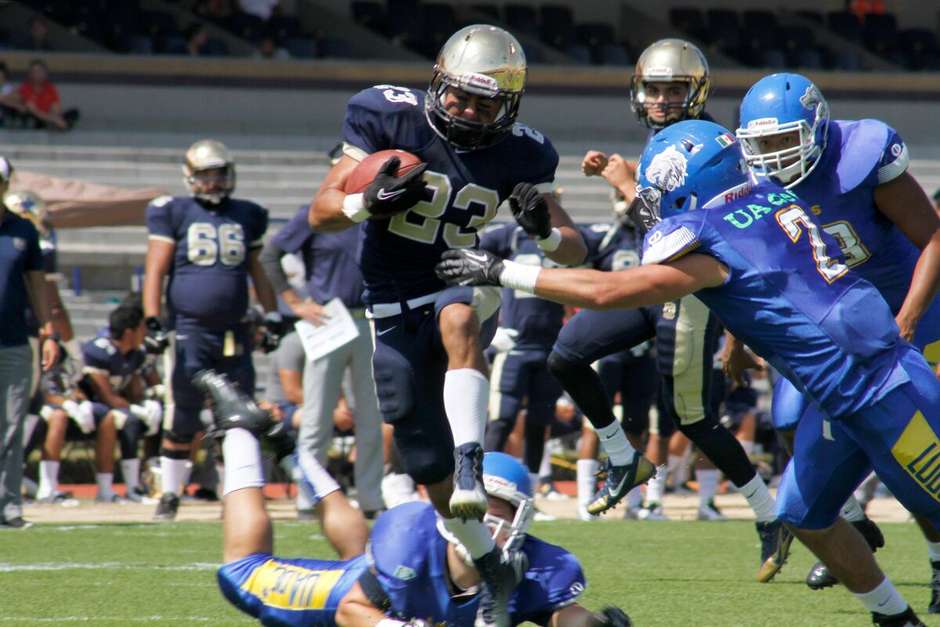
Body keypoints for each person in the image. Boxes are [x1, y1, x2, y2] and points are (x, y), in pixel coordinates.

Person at [436, 119, 940, 627]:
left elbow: (606, 292)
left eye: (663, 188)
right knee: (802, 514)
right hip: (839, 390)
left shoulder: (712, 241)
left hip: (880, 389)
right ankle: (895, 618)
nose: (656, 200)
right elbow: (764, 282)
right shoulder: (767, 197)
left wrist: (502, 270)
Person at [307, 25, 587, 625]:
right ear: (438, 80)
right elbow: (321, 211)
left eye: (484, 103)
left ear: (507, 106)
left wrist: (543, 229)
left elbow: (574, 250)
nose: (466, 110)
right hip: (387, 299)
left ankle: (472, 459)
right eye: (460, 95)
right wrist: (365, 202)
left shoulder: (522, 153)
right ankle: (491, 565)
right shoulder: (388, 117)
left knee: (459, 314)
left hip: (457, 275)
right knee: (424, 465)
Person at [552, 38, 783, 573]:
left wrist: (624, 186)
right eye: (653, 89)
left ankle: (769, 514)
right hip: (648, 283)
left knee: (692, 418)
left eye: (673, 90)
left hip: (690, 289)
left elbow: (681, 233)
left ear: (695, 92)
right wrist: (623, 174)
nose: (660, 100)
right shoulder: (663, 140)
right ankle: (621, 456)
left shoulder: (719, 147)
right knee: (565, 355)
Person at [199, 368, 631, 627]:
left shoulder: (537, 564)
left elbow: (561, 613)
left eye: (504, 512)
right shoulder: (409, 534)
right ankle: (239, 429)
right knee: (241, 573)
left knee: (359, 551)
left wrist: (593, 623)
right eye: (482, 509)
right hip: (356, 600)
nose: (491, 524)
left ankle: (288, 449)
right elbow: (353, 611)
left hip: (394, 586)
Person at [735, 72, 940, 606]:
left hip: (907, 304)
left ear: (817, 129)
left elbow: (934, 235)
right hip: (839, 323)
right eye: (764, 147)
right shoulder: (756, 188)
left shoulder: (860, 155)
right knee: (784, 420)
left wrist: (911, 316)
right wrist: (736, 339)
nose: (775, 159)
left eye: (785, 143)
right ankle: (853, 520)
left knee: (912, 448)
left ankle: (939, 562)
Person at [143, 139, 284, 521]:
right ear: (190, 177)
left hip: (234, 330)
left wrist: (271, 314)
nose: (213, 181)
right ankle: (170, 494)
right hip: (190, 328)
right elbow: (156, 269)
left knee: (237, 414)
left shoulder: (247, 213)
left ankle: (234, 497)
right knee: (184, 412)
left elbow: (258, 270)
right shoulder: (172, 211)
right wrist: (153, 320)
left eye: (219, 173)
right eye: (205, 175)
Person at [260, 204, 384, 518]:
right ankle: (308, 496)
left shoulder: (375, 209)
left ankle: (370, 497)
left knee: (371, 417)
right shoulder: (315, 213)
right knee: (316, 415)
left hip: (370, 318)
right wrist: (295, 303)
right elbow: (269, 255)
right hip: (328, 319)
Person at [478, 221, 566, 493]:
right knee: (502, 419)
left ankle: (531, 490)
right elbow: (470, 251)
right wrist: (492, 328)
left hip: (548, 346)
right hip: (514, 345)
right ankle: (482, 484)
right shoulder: (510, 236)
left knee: (540, 423)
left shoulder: (560, 240)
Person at [0, 155, 59, 529]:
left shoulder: (22, 231)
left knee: (11, 425)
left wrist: (48, 331)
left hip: (14, 342)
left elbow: (38, 285)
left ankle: (8, 506)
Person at [80, 304, 163, 502]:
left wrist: (146, 403)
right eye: (141, 328)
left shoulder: (135, 353)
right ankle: (117, 488)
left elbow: (135, 390)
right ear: (129, 332)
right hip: (88, 407)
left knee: (154, 416)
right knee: (129, 420)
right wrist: (135, 409)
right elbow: (105, 395)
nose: (145, 333)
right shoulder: (98, 351)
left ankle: (146, 481)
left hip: (116, 408)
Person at [17, 59, 78, 130]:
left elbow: (56, 107)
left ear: (45, 73)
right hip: (37, 117)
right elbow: (34, 111)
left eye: (40, 71)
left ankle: (57, 125)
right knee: (32, 118)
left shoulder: (50, 88)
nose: (38, 74)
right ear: (30, 74)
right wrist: (54, 120)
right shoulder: (25, 88)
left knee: (74, 112)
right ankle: (55, 125)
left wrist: (56, 118)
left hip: (49, 116)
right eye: (35, 72)